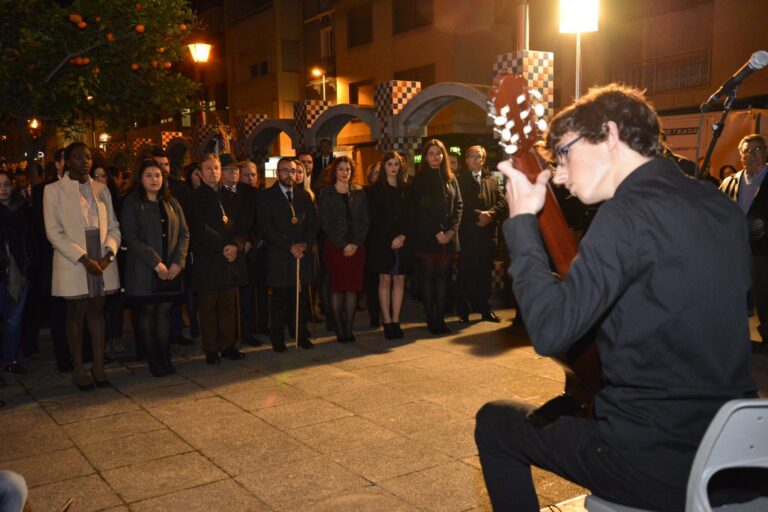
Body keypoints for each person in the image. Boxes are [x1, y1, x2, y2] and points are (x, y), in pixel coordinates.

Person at [475, 84, 756, 512]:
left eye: (563, 154)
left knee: (495, 422)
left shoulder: (625, 213)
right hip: (738, 461)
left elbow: (549, 331)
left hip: (654, 465)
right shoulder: (721, 208)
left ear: (609, 134)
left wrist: (521, 224)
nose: (559, 175)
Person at [43, 142, 121, 390]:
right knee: (76, 312)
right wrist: (84, 259)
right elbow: (53, 232)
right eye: (78, 157)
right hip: (73, 257)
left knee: (98, 311)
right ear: (67, 161)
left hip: (102, 254)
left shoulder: (101, 189)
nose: (85, 161)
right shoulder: (53, 190)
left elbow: (114, 227)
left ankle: (99, 367)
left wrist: (108, 255)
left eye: (88, 157)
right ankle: (78, 368)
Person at [121, 160, 189, 377]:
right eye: (149, 175)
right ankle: (154, 359)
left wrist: (178, 261)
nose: (154, 180)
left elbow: (184, 233)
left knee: (164, 312)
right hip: (144, 269)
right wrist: (155, 262)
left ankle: (165, 357)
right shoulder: (132, 203)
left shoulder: (171, 202)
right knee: (148, 312)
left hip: (170, 269)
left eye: (158, 175)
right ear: (140, 179)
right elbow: (131, 237)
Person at [186, 154, 247, 365]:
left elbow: (240, 226)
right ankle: (211, 348)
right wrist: (223, 246)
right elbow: (199, 229)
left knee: (228, 306)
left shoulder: (230, 196)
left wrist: (236, 246)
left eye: (216, 168)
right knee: (208, 306)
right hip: (208, 258)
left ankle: (228, 345)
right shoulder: (194, 198)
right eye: (208, 168)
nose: (213, 172)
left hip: (229, 257)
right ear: (200, 173)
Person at [258, 157, 318, 352]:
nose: (289, 175)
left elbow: (313, 224)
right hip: (280, 255)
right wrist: (289, 246)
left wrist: (305, 244)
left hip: (301, 254)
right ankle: (278, 339)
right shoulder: (267, 196)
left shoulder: (303, 196)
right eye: (285, 170)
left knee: (300, 298)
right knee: (280, 300)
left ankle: (300, 334)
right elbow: (267, 228)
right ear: (277, 173)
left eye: (292, 171)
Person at [406, 139, 463, 334]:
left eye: (439, 153)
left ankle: (440, 318)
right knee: (429, 279)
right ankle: (431, 319)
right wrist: (437, 232)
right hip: (427, 238)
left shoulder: (451, 178)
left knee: (443, 279)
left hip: (448, 238)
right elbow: (419, 209)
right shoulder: (420, 179)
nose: (435, 156)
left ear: (443, 155)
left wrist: (451, 231)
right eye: (431, 153)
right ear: (425, 156)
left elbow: (459, 206)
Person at [720, 134, 768, 348]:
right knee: (734, 299)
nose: (752, 155)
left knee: (764, 298)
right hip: (735, 253)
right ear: (740, 156)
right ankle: (735, 341)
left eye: (757, 149)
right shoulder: (729, 181)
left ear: (765, 152)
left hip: (763, 252)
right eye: (747, 151)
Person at [317, 156, 370, 343]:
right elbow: (326, 222)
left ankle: (349, 328)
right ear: (335, 171)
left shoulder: (359, 191)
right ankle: (339, 328)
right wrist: (343, 244)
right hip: (335, 246)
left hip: (357, 247)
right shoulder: (326, 193)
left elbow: (365, 220)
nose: (345, 172)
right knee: (337, 287)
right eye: (341, 169)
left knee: (352, 288)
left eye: (348, 169)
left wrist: (355, 243)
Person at [455, 145, 507, 324]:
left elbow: (502, 201)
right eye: (472, 156)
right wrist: (479, 215)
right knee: (466, 272)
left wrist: (490, 214)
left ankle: (486, 310)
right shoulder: (458, 180)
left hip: (486, 235)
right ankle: (463, 310)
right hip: (468, 233)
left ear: (483, 160)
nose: (475, 159)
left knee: (485, 273)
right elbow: (458, 205)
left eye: (479, 156)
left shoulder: (491, 180)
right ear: (466, 160)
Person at [365, 152, 409, 339]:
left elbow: (411, 215)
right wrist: (391, 238)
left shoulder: (406, 188)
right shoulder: (375, 190)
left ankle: (396, 320)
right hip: (382, 241)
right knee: (384, 280)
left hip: (403, 241)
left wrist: (402, 236)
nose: (393, 167)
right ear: (383, 166)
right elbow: (375, 218)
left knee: (399, 279)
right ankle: (387, 321)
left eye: (396, 164)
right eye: (390, 164)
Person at [0, 171, 33, 374]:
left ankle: (10, 359)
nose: (3, 188)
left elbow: (31, 239)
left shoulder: (23, 209)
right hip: (1, 269)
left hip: (20, 270)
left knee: (14, 318)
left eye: (6, 184)